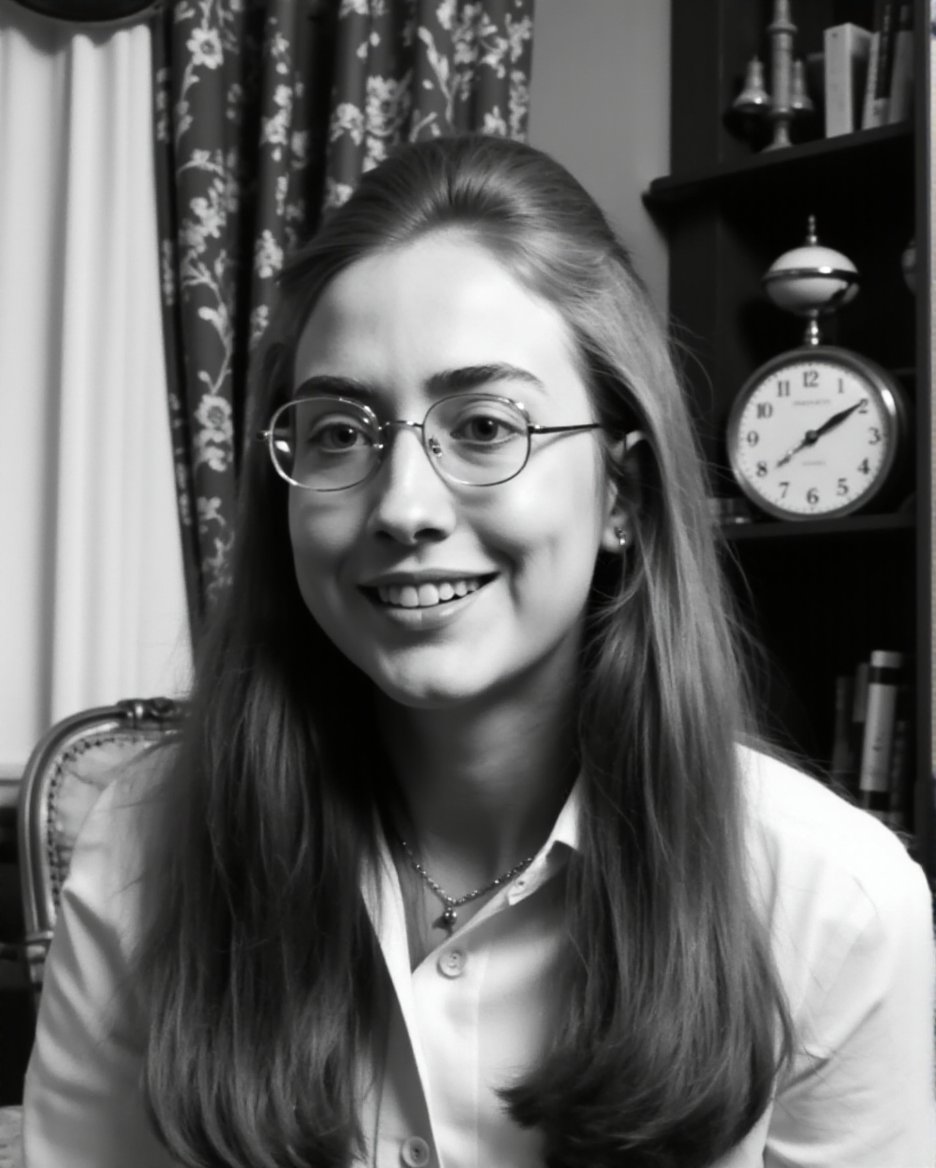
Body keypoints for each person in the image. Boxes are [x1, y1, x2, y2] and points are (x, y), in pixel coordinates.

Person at [23, 134, 935, 1168]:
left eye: (487, 424)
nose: (403, 504)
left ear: (623, 497)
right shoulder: (142, 847)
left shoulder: (838, 908)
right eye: (338, 432)